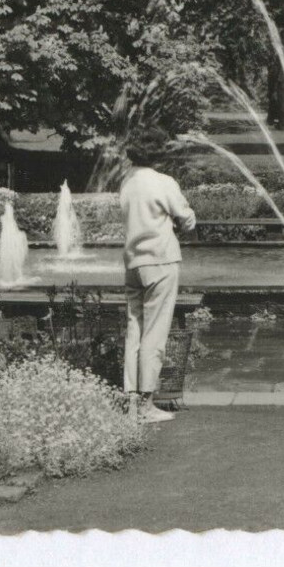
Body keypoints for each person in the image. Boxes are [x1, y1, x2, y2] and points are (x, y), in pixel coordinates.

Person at [118, 127, 197, 424]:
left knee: (134, 331)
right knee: (155, 333)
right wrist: (186, 223)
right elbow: (186, 218)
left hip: (133, 264)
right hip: (161, 262)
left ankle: (132, 402)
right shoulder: (163, 182)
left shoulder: (126, 182)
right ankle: (148, 404)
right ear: (158, 153)